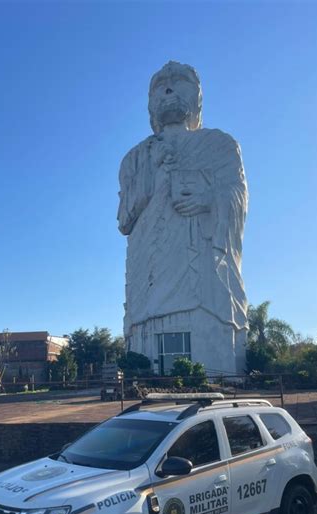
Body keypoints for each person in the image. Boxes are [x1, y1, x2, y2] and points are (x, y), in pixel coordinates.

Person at [117, 61, 249, 374]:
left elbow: (238, 197)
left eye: (180, 81)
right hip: (148, 273)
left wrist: (209, 199)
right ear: (149, 104)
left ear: (199, 97)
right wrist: (151, 175)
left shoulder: (219, 145)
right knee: (148, 323)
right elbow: (124, 220)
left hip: (201, 273)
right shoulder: (134, 158)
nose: (168, 89)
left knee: (204, 312)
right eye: (159, 85)